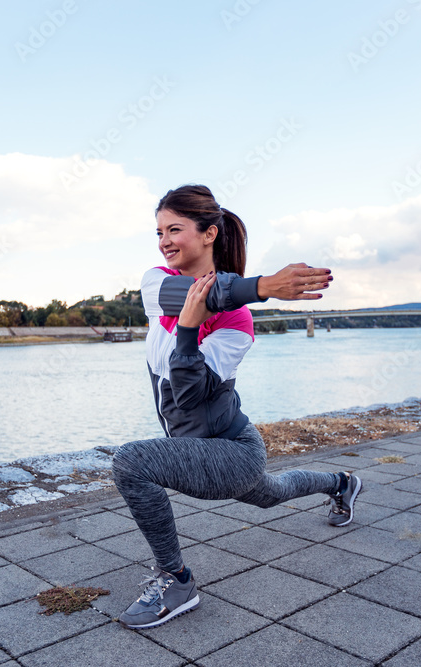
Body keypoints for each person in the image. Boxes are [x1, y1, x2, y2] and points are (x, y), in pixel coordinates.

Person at [112, 184, 362, 630]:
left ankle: (177, 581)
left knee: (131, 462)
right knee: (273, 494)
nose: (164, 241)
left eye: (175, 229)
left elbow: (188, 395)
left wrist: (189, 332)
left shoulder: (238, 322)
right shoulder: (157, 283)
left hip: (231, 450)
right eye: (159, 231)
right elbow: (192, 295)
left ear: (209, 234)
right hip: (195, 448)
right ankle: (341, 482)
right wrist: (263, 286)